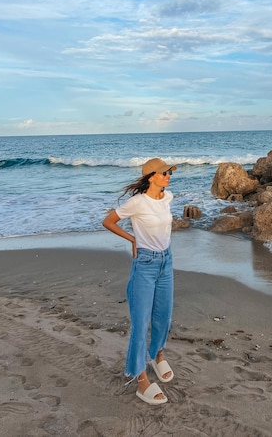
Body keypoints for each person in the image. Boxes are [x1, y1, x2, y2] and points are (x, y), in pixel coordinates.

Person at [102, 158, 177, 405]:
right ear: (151, 176)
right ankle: (141, 379)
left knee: (163, 316)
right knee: (140, 323)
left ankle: (157, 354)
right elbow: (108, 221)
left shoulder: (168, 197)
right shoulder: (137, 202)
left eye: (169, 172)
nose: (168, 175)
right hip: (145, 265)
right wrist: (133, 240)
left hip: (166, 262)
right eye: (164, 172)